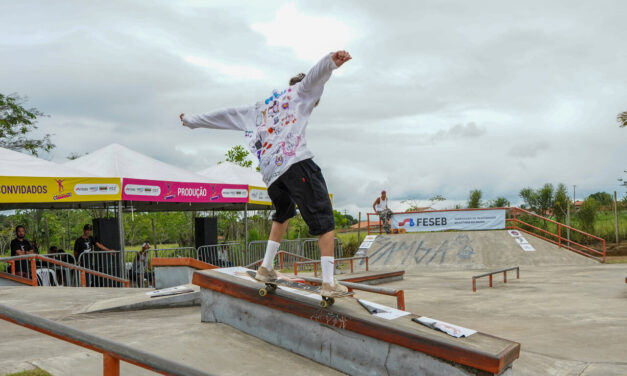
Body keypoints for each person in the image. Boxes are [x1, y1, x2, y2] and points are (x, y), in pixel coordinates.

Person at [180, 50, 352, 297]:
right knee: (324, 219)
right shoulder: (302, 91)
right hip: (295, 163)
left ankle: (265, 267)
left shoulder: (260, 107)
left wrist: (191, 120)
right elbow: (314, 77)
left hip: (272, 174)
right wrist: (330, 62)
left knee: (283, 213)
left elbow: (224, 115)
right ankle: (328, 283)